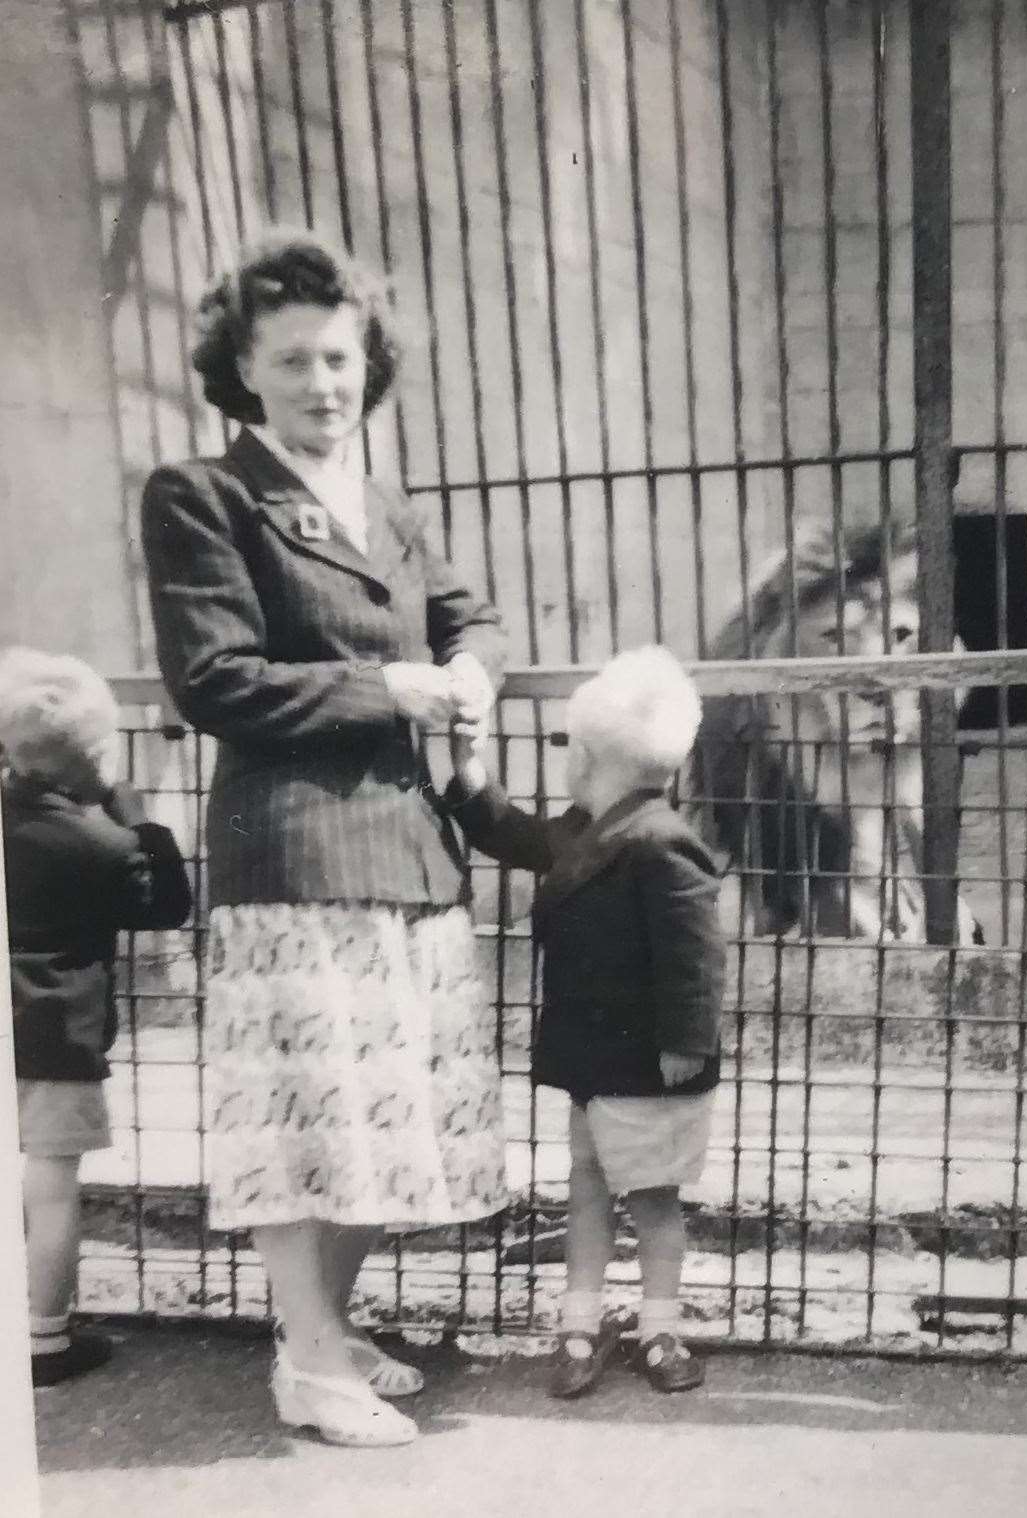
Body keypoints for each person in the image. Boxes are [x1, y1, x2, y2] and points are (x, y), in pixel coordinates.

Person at [139, 229, 505, 1447]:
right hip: (291, 852)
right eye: (291, 361)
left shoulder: (384, 501)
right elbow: (216, 681)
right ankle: (303, 1363)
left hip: (405, 854)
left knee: (379, 1117)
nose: (322, 384)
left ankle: (327, 1329)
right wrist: (395, 691)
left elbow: (467, 614)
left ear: (369, 363)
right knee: (306, 1122)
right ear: (242, 370)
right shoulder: (203, 496)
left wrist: (472, 670)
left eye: (339, 358)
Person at [447, 645, 724, 1398]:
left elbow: (694, 955)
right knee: (590, 1190)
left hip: (649, 1066)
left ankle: (659, 1325)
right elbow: (513, 835)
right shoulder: (586, 830)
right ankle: (579, 1321)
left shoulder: (663, 842)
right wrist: (470, 779)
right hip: (595, 1063)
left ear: (589, 756)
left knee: (655, 1199)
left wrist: (686, 1044)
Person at [1, 648, 193, 1386]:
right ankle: (44, 1338)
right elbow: (167, 908)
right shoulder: (103, 847)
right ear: (95, 761)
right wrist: (142, 824)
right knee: (50, 1190)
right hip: (58, 1042)